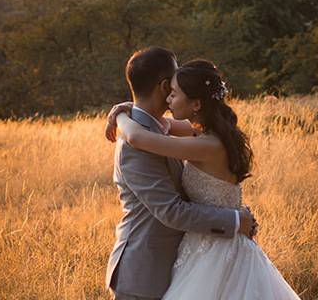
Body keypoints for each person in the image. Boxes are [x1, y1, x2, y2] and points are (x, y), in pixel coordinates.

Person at [107, 59, 301, 300]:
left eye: (175, 94)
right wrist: (127, 109)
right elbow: (161, 124)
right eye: (170, 91)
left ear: (196, 103)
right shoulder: (202, 131)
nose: (169, 99)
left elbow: (137, 136)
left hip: (217, 253)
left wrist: (120, 116)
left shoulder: (206, 144)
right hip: (201, 249)